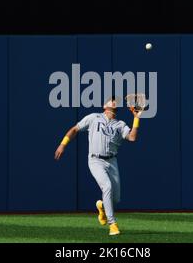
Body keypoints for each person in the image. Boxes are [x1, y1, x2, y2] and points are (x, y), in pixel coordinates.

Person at [54, 97, 141, 235]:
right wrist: (63, 144)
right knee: (107, 186)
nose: (113, 101)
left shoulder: (120, 124)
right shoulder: (94, 117)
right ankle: (112, 224)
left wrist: (136, 118)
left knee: (116, 198)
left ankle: (102, 206)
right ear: (104, 105)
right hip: (95, 160)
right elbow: (75, 129)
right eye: (110, 100)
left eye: (115, 100)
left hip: (112, 161)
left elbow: (132, 137)